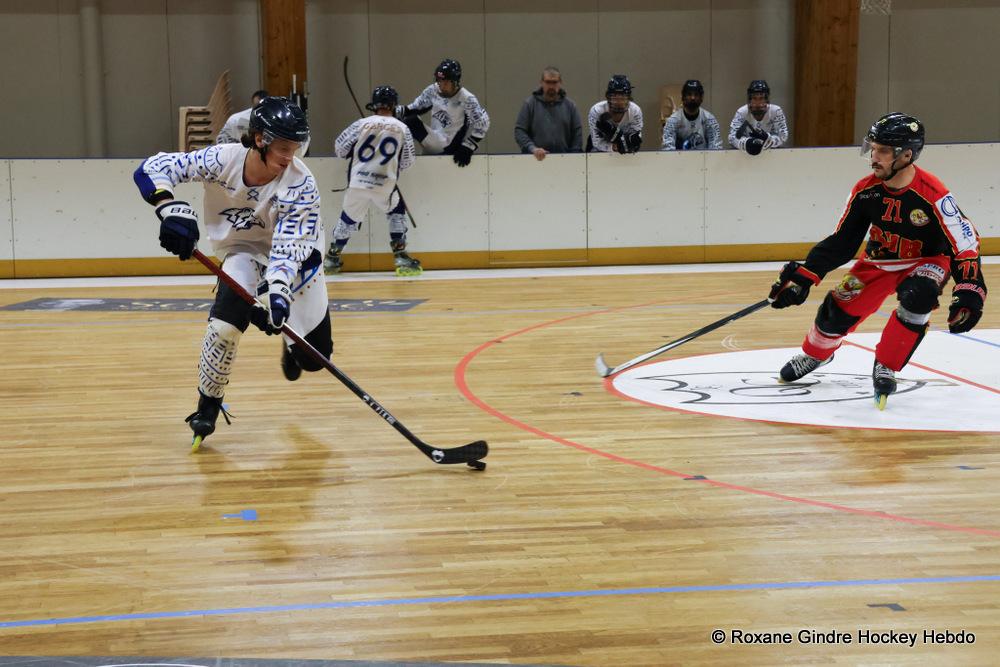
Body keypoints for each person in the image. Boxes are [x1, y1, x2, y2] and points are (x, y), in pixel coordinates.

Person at [133, 96, 332, 445]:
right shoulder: (221, 159)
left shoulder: (301, 183)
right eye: (284, 148)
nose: (291, 158)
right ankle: (208, 404)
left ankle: (287, 341)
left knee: (314, 359)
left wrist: (278, 293)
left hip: (298, 260)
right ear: (260, 139)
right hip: (242, 251)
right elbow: (153, 167)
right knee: (224, 328)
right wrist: (169, 207)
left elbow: (288, 250)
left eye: (296, 148)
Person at [768, 112, 987, 409]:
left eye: (883, 150)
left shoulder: (934, 195)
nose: (874, 156)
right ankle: (817, 354)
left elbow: (965, 243)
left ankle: (887, 364)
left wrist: (970, 291)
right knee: (836, 313)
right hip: (879, 261)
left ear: (907, 155)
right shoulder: (865, 190)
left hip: (927, 260)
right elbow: (843, 241)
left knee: (919, 296)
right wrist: (806, 274)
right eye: (873, 148)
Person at [324, 86, 419, 277]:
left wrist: (355, 154)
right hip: (385, 184)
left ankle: (332, 258)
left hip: (358, 181)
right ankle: (400, 255)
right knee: (396, 212)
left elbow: (340, 148)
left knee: (348, 218)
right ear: (394, 105)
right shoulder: (402, 128)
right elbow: (408, 160)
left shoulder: (361, 124)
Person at [396, 59, 490, 167]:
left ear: (455, 82)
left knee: (411, 122)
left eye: (445, 82)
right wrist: (394, 111)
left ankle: (397, 153)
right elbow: (414, 108)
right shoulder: (433, 90)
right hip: (433, 141)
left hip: (448, 145)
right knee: (403, 121)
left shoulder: (466, 98)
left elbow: (483, 123)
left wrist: (468, 146)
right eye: (439, 81)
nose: (441, 85)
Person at [514, 66, 583, 160]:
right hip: (535, 160)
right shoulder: (529, 104)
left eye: (554, 82)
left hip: (565, 161)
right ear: (541, 83)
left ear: (560, 83)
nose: (551, 86)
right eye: (547, 82)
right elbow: (520, 131)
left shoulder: (571, 106)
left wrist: (573, 156)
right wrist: (533, 149)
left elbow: (577, 134)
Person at [727, 79, 788, 155]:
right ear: (749, 100)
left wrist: (768, 139)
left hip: (771, 153)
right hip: (746, 154)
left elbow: (783, 136)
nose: (758, 103)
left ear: (766, 99)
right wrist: (747, 143)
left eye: (761, 98)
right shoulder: (742, 112)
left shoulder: (776, 111)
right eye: (754, 99)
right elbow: (732, 137)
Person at [661, 79, 722, 151]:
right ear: (683, 97)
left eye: (696, 95)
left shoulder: (709, 119)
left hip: (704, 160)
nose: (693, 98)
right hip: (680, 160)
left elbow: (716, 149)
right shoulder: (673, 120)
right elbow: (667, 150)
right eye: (689, 94)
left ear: (701, 98)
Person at [587, 74, 643, 154]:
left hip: (627, 155)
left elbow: (636, 139)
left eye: (623, 96)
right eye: (615, 96)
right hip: (599, 154)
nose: (619, 101)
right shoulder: (597, 111)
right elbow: (596, 142)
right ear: (607, 97)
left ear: (629, 98)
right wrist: (615, 147)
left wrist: (627, 143)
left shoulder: (635, 111)